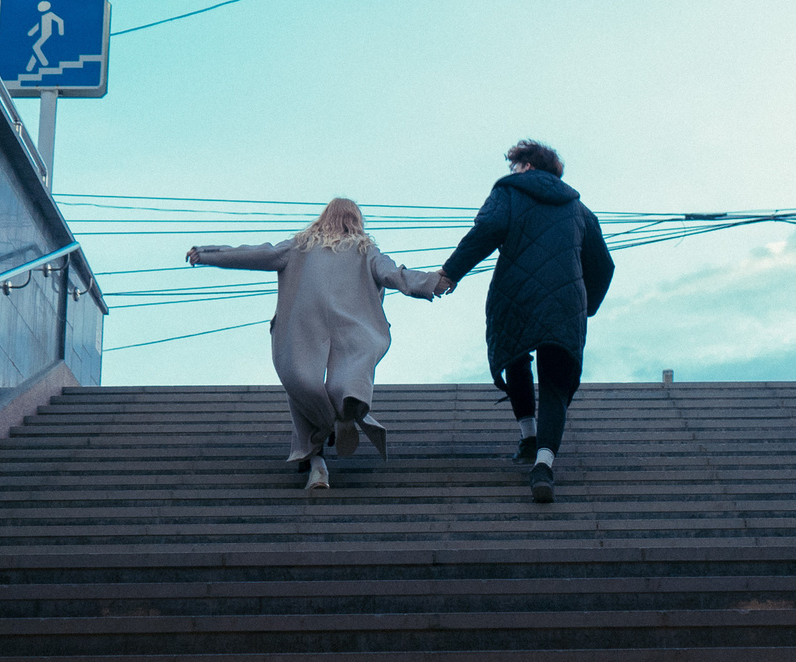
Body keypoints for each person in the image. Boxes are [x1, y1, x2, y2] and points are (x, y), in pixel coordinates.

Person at [187, 198, 442, 490]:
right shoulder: (356, 250)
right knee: (341, 382)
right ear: (357, 221)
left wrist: (207, 254)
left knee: (303, 384)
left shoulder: (308, 247)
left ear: (323, 217)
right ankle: (340, 423)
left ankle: (318, 459)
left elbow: (257, 254)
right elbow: (395, 274)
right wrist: (432, 282)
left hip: (307, 327)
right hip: (348, 328)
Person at [430, 139, 614, 504]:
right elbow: (603, 265)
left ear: (527, 166)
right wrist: (586, 307)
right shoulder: (580, 209)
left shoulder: (508, 191)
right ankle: (544, 463)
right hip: (566, 302)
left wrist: (450, 273)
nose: (512, 171)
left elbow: (487, 230)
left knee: (515, 353)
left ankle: (528, 436)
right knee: (555, 380)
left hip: (516, 293)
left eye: (515, 165)